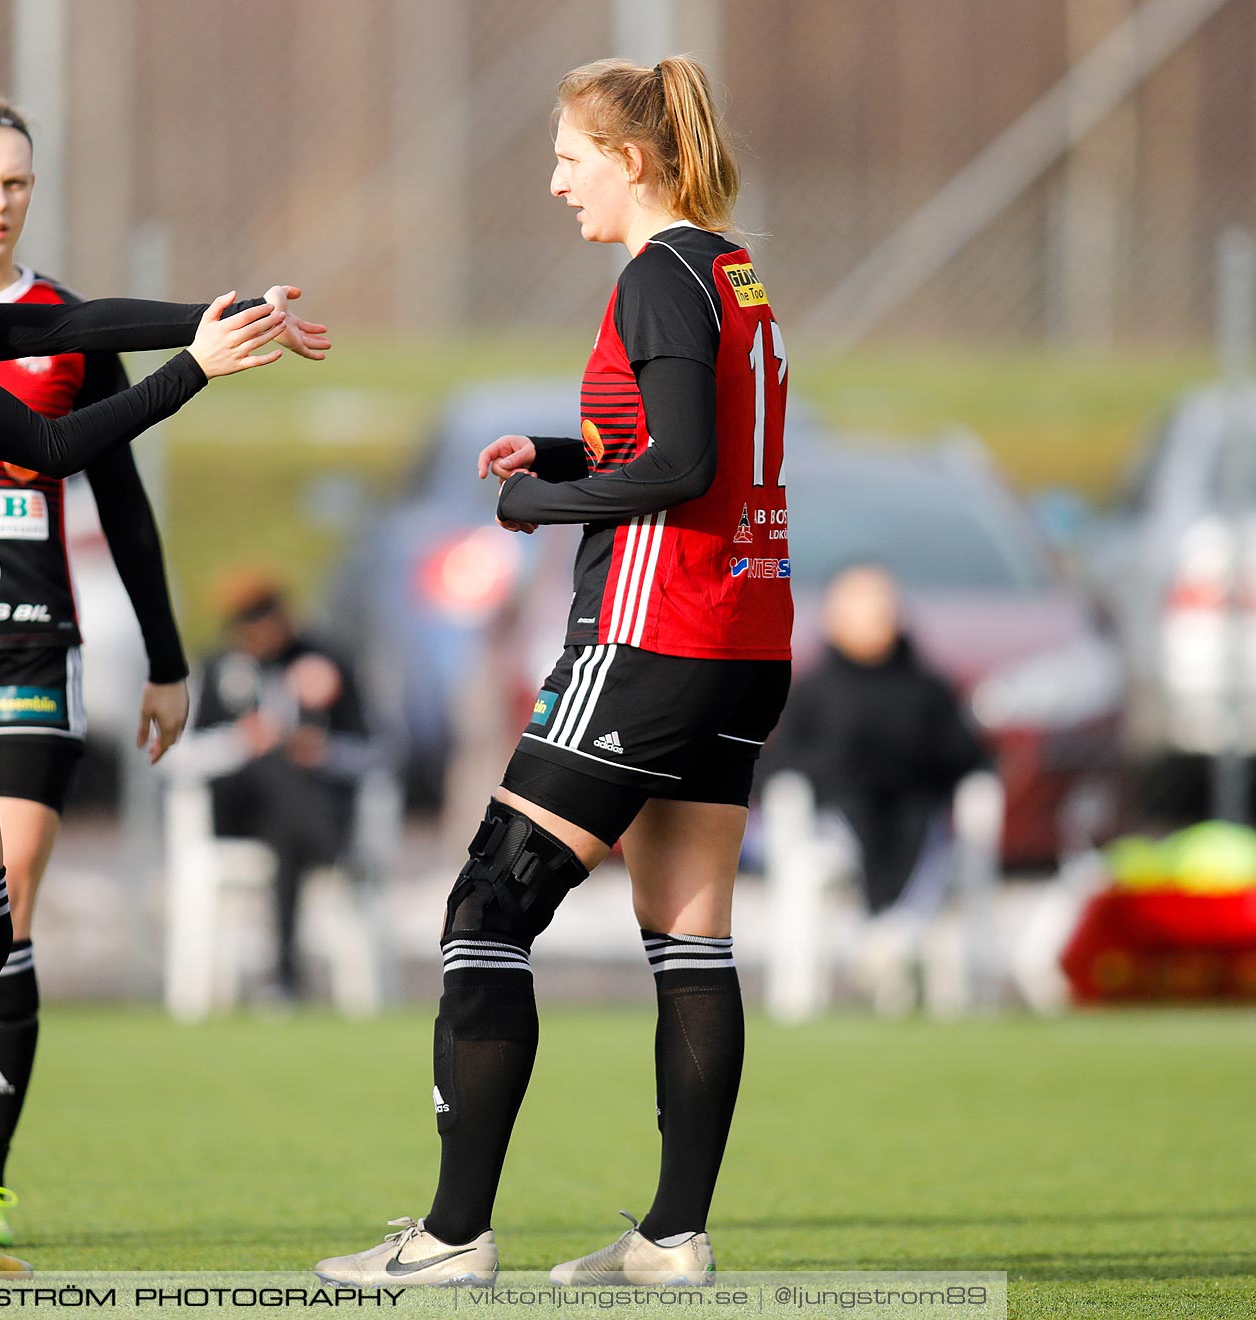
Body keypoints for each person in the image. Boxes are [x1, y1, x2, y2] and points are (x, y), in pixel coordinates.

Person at [316, 56, 790, 1288]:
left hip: (652, 638)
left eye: (572, 158)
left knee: (485, 912)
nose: (556, 180)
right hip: (741, 641)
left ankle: (451, 1236)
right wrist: (573, 447)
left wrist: (541, 498)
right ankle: (671, 1241)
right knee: (690, 938)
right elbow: (695, 446)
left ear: (632, 161)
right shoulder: (731, 270)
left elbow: (680, 467)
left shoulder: (655, 274)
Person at [0, 119, 329, 1275]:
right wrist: (197, 359)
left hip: (26, 643)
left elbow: (91, 419)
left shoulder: (5, 314)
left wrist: (165, 652)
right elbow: (39, 441)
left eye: (10, 185)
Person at [763, 565, 990, 1010]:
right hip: (840, 816)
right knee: (850, 833)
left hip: (916, 811)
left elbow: (965, 756)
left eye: (882, 606)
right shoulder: (814, 689)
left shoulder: (927, 688)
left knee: (926, 843)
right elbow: (780, 763)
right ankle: (883, 943)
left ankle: (890, 938)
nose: (874, 617)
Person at [188, 571, 372, 1003]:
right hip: (240, 808)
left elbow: (375, 751)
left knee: (287, 829)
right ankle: (328, 845)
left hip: (292, 813)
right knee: (270, 764)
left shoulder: (326, 661)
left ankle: (284, 983)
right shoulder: (219, 667)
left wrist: (322, 751)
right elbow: (182, 756)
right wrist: (242, 741)